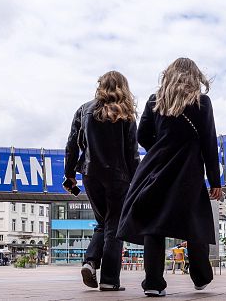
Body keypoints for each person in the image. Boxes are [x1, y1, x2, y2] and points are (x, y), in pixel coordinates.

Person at [118, 58, 222, 297]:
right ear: (195, 76)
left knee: (153, 225)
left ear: (169, 74)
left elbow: (142, 136)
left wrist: (162, 147)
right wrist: (214, 181)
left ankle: (153, 283)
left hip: (155, 169)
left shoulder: (154, 101)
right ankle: (201, 277)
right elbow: (209, 142)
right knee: (195, 221)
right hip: (188, 171)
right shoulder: (202, 102)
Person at [66, 71, 140, 292]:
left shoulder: (84, 109)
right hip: (118, 177)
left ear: (100, 85)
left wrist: (69, 174)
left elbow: (72, 144)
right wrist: (137, 182)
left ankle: (90, 261)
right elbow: (132, 153)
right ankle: (109, 280)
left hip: (90, 174)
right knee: (114, 226)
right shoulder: (126, 113)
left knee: (103, 222)